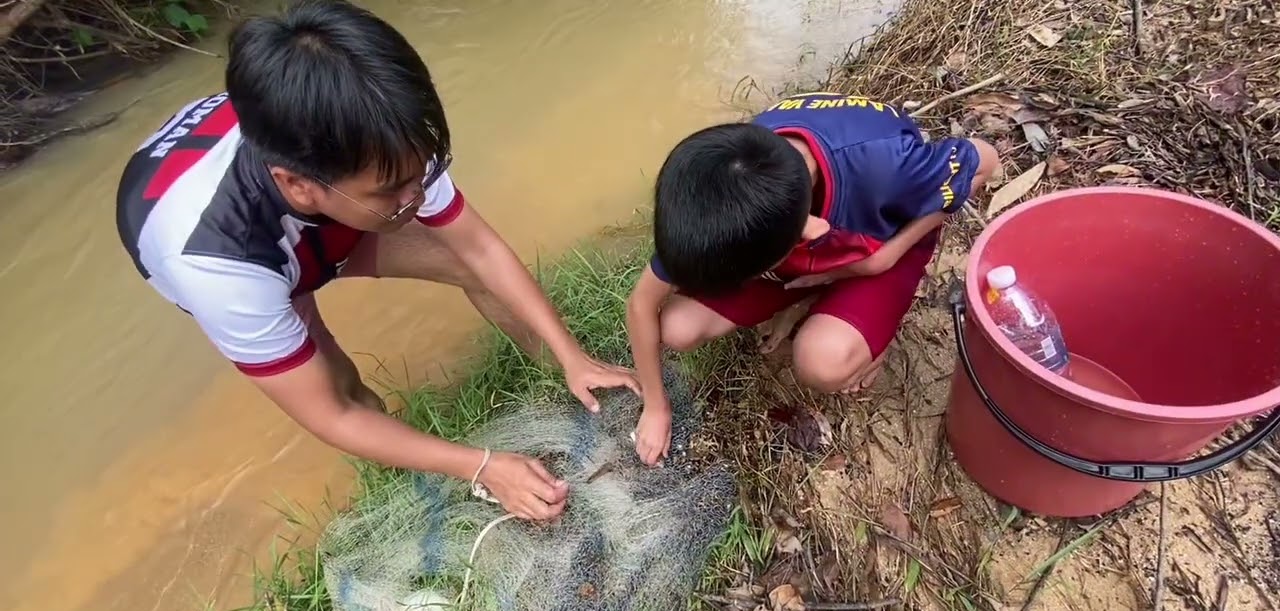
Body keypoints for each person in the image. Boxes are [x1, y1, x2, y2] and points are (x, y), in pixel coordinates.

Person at [114, 0, 638, 520]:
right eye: (394, 190)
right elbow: (332, 415)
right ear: (299, 184)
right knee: (342, 384)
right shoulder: (223, 271)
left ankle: (565, 380)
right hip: (253, 248)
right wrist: (481, 465)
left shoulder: (379, 138)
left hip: (319, 196)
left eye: (422, 173)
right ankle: (412, 487)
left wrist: (571, 354)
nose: (417, 196)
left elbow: (478, 248)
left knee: (462, 263)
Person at [625, 91, 999, 465]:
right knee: (674, 327)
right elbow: (642, 303)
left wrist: (882, 259)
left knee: (821, 361)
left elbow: (986, 160)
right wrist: (656, 406)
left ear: (808, 233)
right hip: (797, 250)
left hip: (876, 243)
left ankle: (866, 325)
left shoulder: (890, 166)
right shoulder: (726, 200)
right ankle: (805, 298)